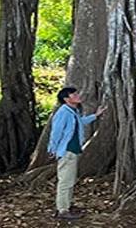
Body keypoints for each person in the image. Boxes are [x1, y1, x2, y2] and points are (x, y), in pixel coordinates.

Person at [47, 87, 104, 220]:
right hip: (66, 151)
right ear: (67, 99)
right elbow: (56, 132)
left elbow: (80, 122)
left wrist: (96, 115)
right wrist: (52, 149)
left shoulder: (73, 111)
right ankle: (62, 211)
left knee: (70, 181)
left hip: (73, 151)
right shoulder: (63, 113)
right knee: (65, 182)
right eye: (74, 94)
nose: (78, 95)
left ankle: (66, 206)